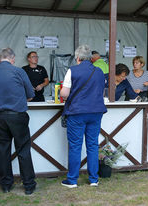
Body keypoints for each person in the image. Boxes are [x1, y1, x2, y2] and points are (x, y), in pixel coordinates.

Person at [0, 48, 37, 195]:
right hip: (17, 116)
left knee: (3, 150)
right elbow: (31, 95)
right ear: (12, 59)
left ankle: (6, 184)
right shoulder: (19, 71)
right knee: (23, 150)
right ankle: (29, 185)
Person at [60, 45, 107, 188]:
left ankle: (72, 180)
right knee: (92, 145)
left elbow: (64, 94)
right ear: (90, 58)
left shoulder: (72, 71)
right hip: (96, 113)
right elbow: (102, 92)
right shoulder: (99, 72)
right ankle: (94, 179)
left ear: (77, 58)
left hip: (77, 112)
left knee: (75, 146)